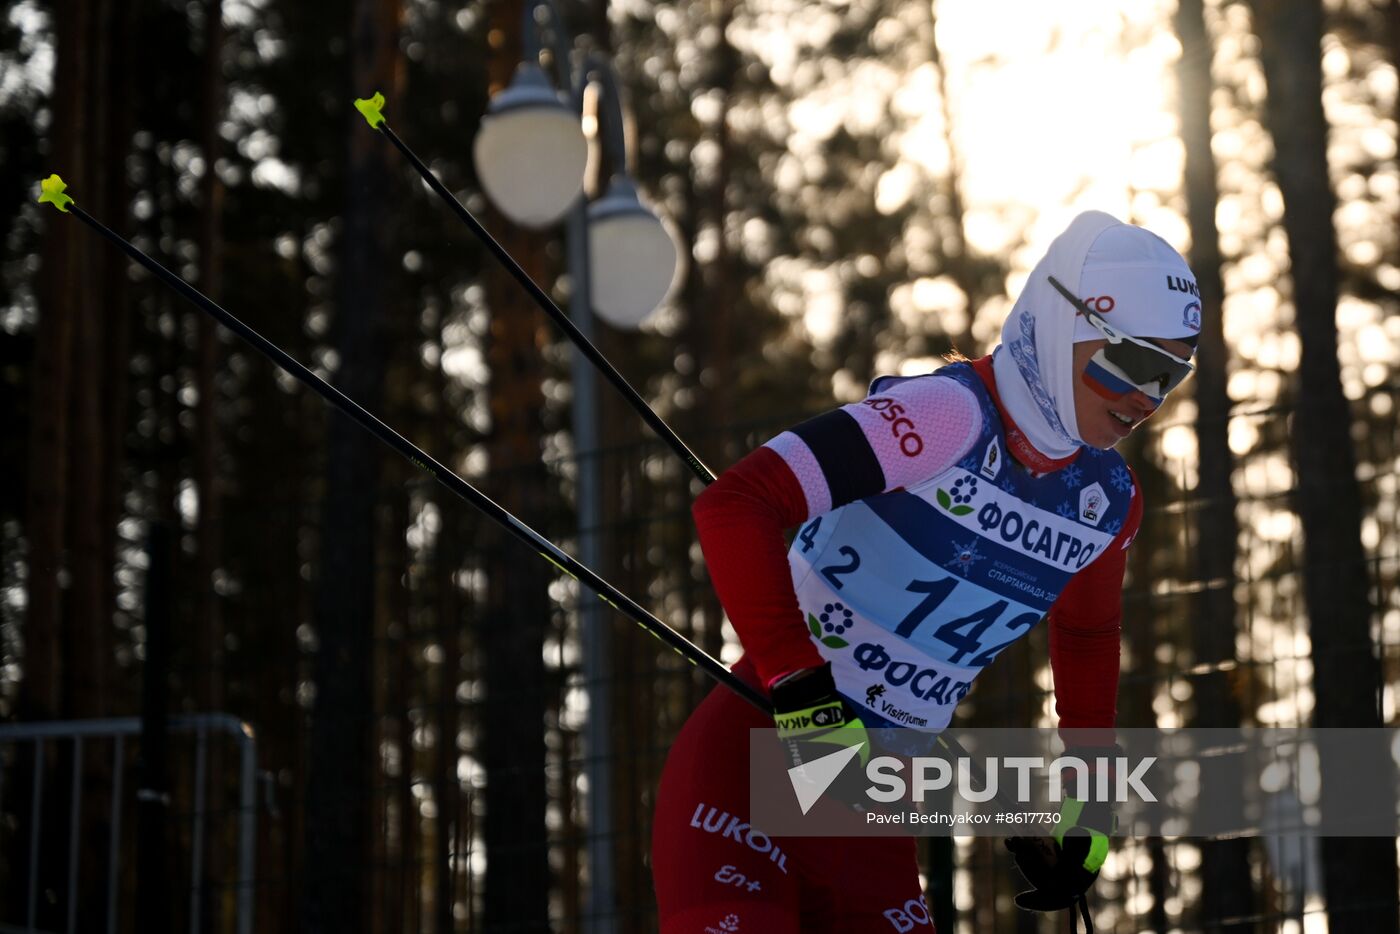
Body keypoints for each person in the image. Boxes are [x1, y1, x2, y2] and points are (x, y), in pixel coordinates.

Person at [651, 211, 1201, 933]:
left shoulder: (1106, 502)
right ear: (1064, 320)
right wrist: (804, 692)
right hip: (753, 763)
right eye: (1130, 364)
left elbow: (1089, 632)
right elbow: (736, 504)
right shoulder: (946, 417)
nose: (1146, 399)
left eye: (1171, 376)